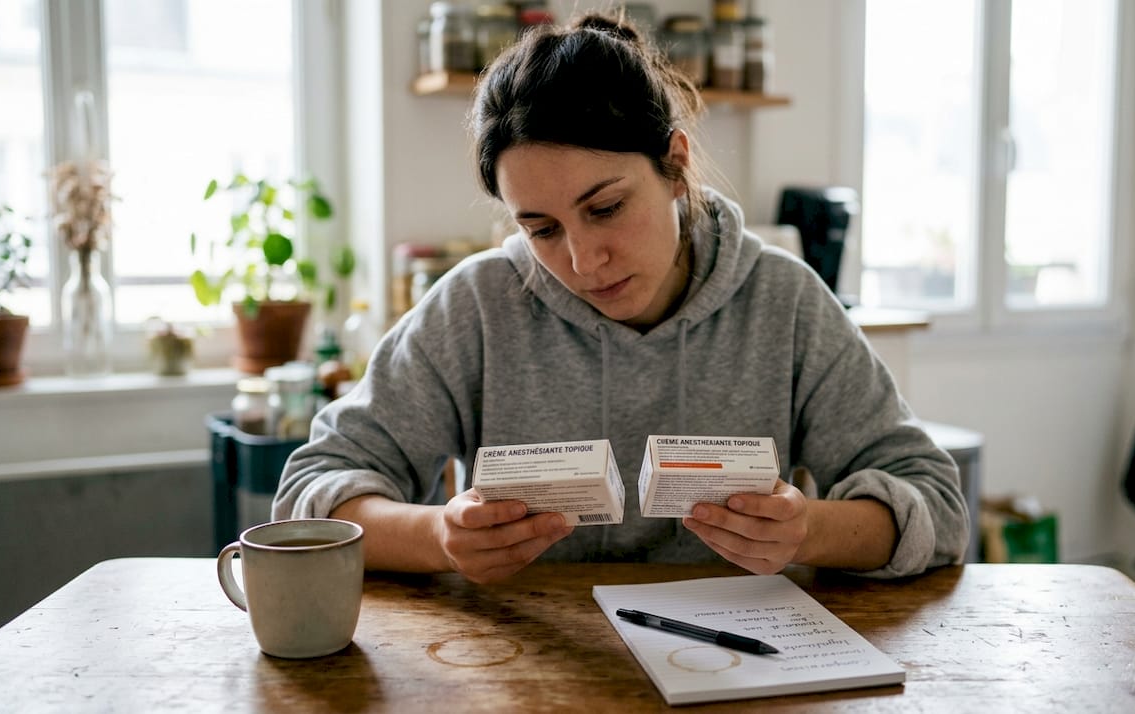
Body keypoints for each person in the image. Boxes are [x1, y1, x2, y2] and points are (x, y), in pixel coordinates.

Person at [273, 13, 968, 584]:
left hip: (744, 664)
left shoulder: (783, 301)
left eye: (605, 208)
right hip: (524, 666)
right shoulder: (477, 307)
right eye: (541, 229)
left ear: (675, 163)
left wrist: (808, 529)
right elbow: (311, 491)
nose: (581, 261)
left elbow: (936, 505)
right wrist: (438, 536)